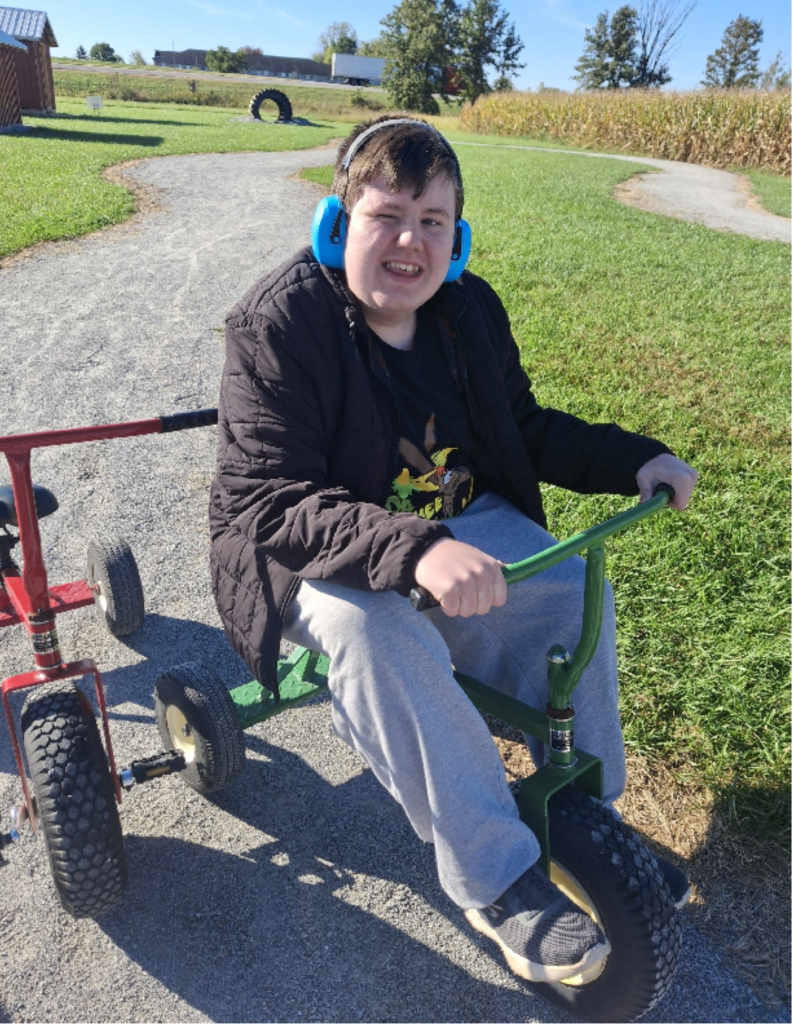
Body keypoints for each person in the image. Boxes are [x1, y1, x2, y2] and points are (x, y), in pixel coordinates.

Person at [209, 116, 698, 984]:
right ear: (336, 222)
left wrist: (634, 458)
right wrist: (414, 550)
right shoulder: (275, 324)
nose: (409, 241)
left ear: (458, 239)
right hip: (309, 545)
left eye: (433, 221)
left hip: (450, 524)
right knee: (378, 636)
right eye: (386, 214)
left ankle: (587, 822)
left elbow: (529, 428)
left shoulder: (468, 311)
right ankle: (498, 879)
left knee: (568, 587)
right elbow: (267, 498)